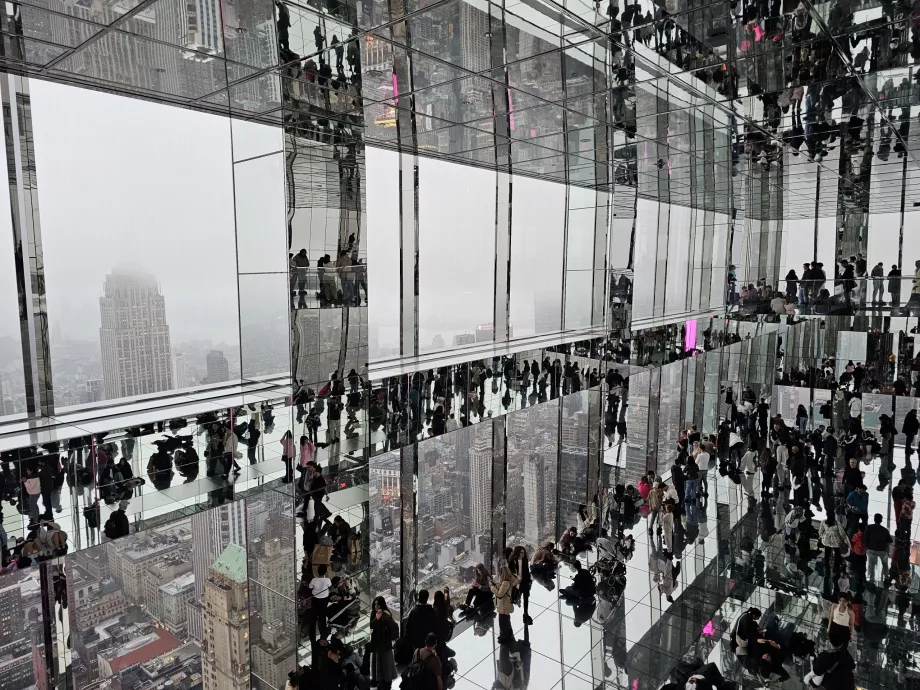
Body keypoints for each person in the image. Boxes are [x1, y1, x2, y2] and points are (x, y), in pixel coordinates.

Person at [369, 597, 399, 689]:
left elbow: (395, 628)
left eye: (378, 604)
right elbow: (371, 625)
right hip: (377, 644)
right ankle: (377, 680)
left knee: (385, 664)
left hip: (384, 645)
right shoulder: (375, 614)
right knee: (377, 662)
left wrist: (388, 638)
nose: (376, 606)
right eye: (375, 604)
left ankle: (386, 682)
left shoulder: (385, 615)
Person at [490, 563, 519, 645]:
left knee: (503, 623)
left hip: (504, 605)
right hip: (506, 604)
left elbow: (499, 594)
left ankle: (505, 637)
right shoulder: (510, 579)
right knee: (506, 621)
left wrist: (492, 587)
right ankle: (508, 634)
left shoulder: (505, 582)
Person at [864, 513, 892, 584]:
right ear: (881, 520)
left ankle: (871, 580)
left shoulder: (869, 527)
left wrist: (867, 546)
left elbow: (865, 538)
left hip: (871, 549)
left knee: (871, 565)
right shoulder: (885, 530)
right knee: (885, 564)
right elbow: (890, 540)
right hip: (882, 550)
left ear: (874, 519)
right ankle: (886, 577)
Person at [510, 545, 533, 624]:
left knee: (526, 597)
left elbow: (526, 570)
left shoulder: (525, 560)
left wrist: (528, 580)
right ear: (517, 553)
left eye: (523, 552)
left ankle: (525, 612)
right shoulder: (513, 561)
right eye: (521, 553)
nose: (522, 554)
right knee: (515, 596)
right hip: (517, 581)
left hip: (525, 581)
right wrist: (517, 578)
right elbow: (511, 572)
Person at [308, 564, 331, 640]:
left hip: (315, 598)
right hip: (324, 599)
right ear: (325, 572)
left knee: (313, 614)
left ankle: (312, 633)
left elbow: (310, 587)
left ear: (318, 572)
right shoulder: (327, 580)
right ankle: (323, 632)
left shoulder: (314, 580)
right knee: (322, 616)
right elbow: (329, 586)